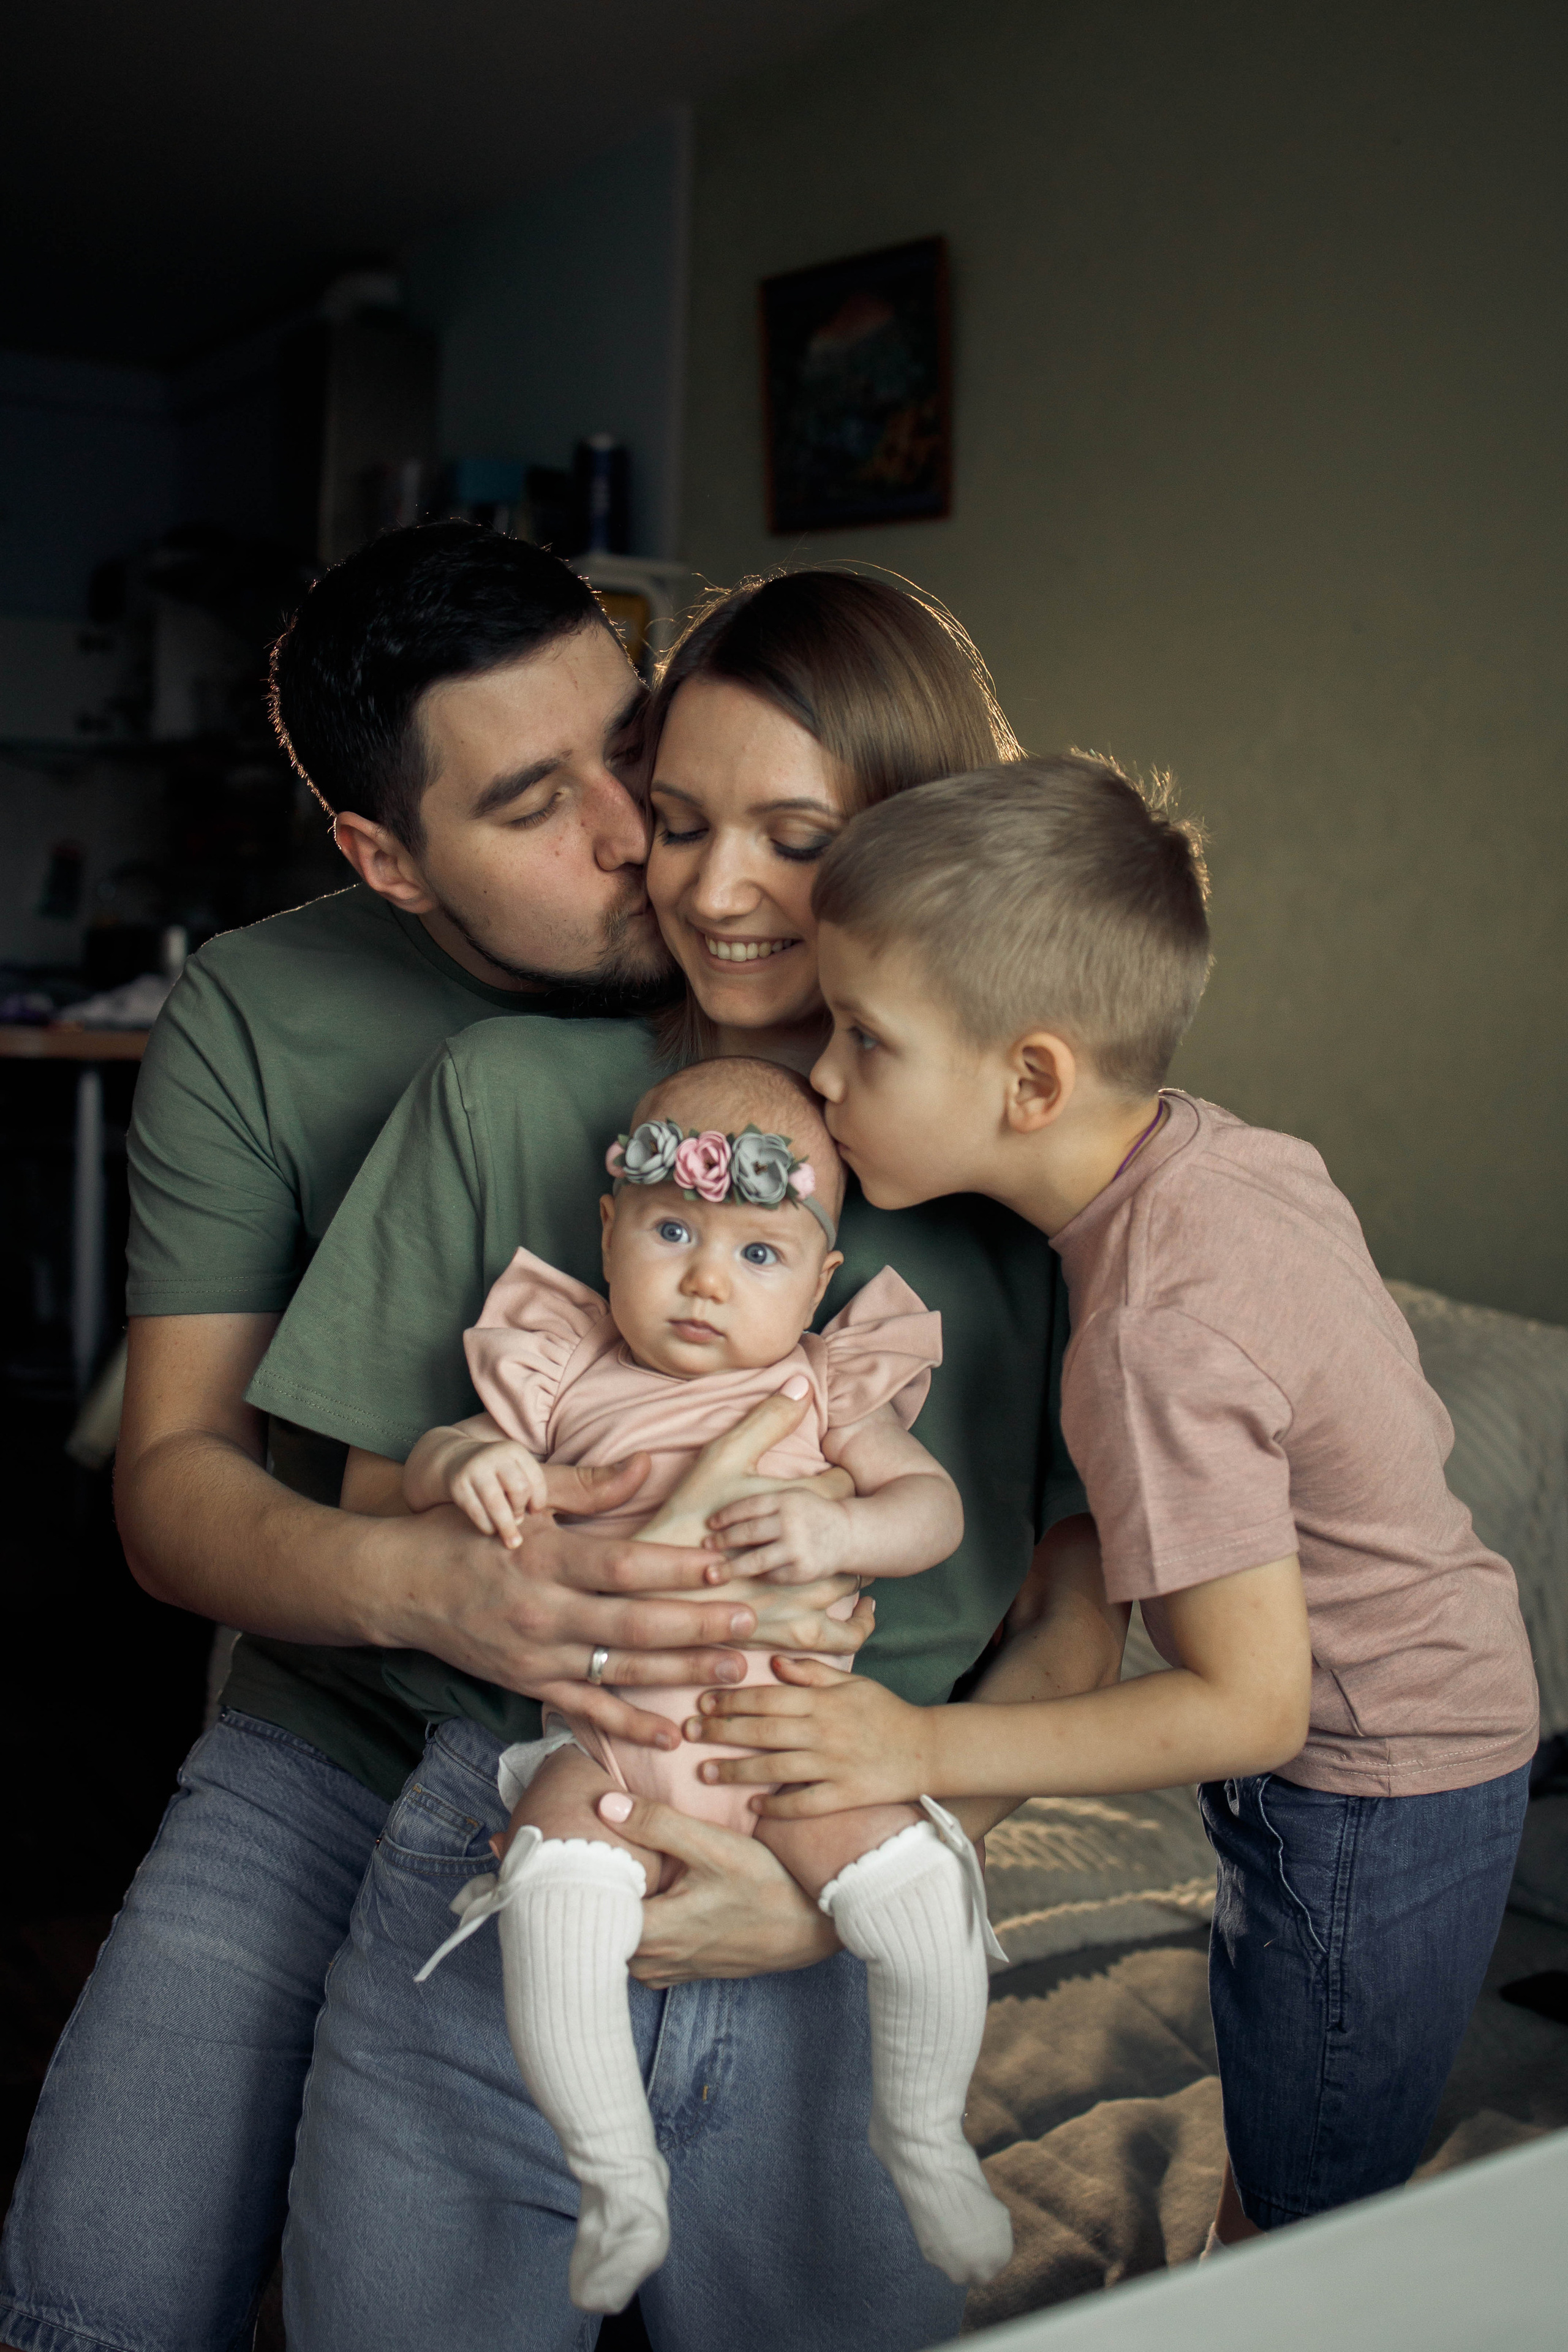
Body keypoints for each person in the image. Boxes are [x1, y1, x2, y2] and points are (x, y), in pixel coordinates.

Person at [243, 570, 1099, 2351]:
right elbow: (348, 1506)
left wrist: (832, 1892)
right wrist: (499, 1505)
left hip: (841, 1898)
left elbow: (1073, 1616)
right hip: (527, 1839)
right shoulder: (502, 1098)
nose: (715, 892)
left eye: (795, 837)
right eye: (681, 820)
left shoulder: (1034, 1200)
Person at [0, 525, 831, 2352]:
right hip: (346, 1726)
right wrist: (441, 1595)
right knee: (96, 2287)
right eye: (541, 803)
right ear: (386, 856)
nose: (638, 834)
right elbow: (170, 1487)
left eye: (633, 746)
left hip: (699, 1747)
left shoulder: (793, 958)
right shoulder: (260, 1014)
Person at [695, 752, 1540, 2249]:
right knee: (1298, 2119)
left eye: (862, 1038)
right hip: (1445, 1704)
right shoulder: (1217, 1155)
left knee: (1313, 2196)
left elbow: (1250, 1710)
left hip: (1370, 1783)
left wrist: (917, 1741)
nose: (818, 1075)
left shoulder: (1149, 1330)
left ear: (1028, 1080)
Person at [410, 1055, 1009, 2310]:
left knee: (912, 1890)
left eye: (757, 1254)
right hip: (616, 1742)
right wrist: (466, 1466)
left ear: (819, 1279)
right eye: (673, 1231)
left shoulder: (822, 1383)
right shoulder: (564, 1363)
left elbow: (930, 1511)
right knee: (552, 1886)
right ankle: (614, 2172)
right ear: (608, 1230)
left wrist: (843, 1535)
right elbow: (444, 1454)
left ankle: (921, 2132)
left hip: (787, 1735)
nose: (701, 1278)